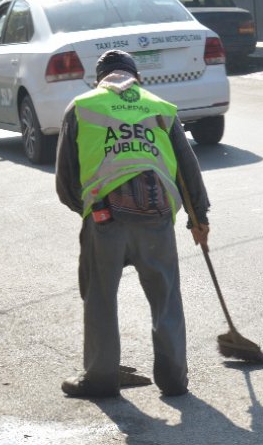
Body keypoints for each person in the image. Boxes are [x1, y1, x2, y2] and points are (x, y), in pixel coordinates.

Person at [54, 50, 212, 398]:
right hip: (155, 218)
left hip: (104, 216)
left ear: (100, 80)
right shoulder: (161, 107)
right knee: (165, 297)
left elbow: (65, 182)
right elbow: (188, 170)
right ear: (136, 78)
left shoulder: (81, 106)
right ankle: (173, 380)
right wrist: (198, 217)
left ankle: (100, 377)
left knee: (99, 297)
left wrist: (89, 210)